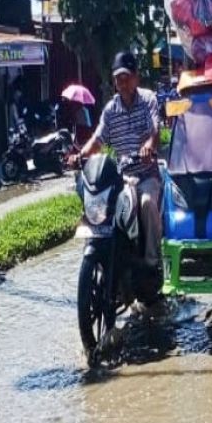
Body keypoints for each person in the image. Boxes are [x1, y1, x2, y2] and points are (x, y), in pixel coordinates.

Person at [73, 51, 162, 274]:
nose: (122, 83)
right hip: (122, 179)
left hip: (146, 174)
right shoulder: (111, 109)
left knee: (147, 204)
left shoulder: (148, 99)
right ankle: (109, 258)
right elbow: (98, 139)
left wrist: (149, 145)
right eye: (118, 78)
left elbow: (155, 130)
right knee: (103, 212)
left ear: (135, 77)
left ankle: (152, 263)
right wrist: (80, 155)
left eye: (126, 77)